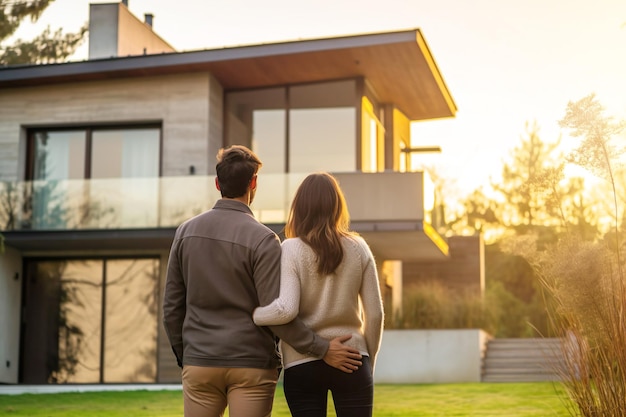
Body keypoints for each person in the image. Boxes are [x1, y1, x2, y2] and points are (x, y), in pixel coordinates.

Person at [162, 146, 362, 417]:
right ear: (253, 183)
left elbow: (172, 308)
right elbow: (276, 312)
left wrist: (187, 355)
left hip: (200, 362)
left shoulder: (185, 232)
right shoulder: (264, 239)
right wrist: (321, 348)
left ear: (217, 183)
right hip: (251, 366)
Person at [253, 172, 384, 417]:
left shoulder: (290, 248)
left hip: (302, 364)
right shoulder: (359, 247)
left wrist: (255, 314)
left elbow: (286, 309)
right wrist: (367, 361)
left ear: (299, 208)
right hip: (353, 358)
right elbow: (375, 315)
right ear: (337, 207)